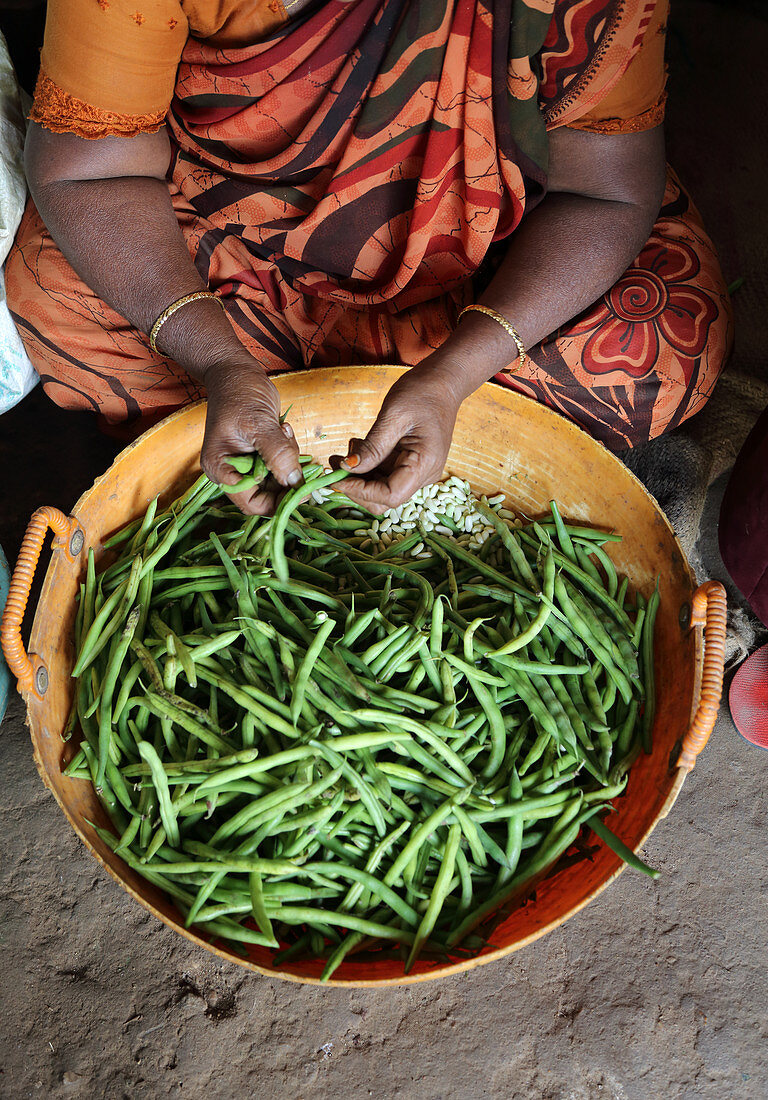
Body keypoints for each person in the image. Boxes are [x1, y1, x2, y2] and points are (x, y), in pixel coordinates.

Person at [7, 0, 732, 515]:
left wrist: (455, 375)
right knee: (58, 293)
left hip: (487, 277)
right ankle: (256, 404)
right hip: (225, 261)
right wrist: (217, 359)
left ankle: (317, 417)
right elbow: (91, 172)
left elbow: (603, 194)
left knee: (657, 338)